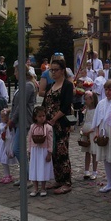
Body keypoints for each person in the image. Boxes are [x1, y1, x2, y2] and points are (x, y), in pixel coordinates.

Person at [42, 58, 75, 195]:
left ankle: (66, 182)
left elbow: (66, 105)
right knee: (53, 151)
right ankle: (58, 179)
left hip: (60, 124)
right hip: (49, 124)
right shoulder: (51, 86)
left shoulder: (67, 85)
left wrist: (54, 119)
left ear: (62, 71)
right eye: (52, 70)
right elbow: (45, 104)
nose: (53, 72)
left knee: (62, 151)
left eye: (56, 70)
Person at [9, 62, 37, 186]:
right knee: (20, 149)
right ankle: (25, 176)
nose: (14, 74)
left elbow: (21, 105)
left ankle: (28, 177)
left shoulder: (28, 85)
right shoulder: (22, 85)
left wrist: (12, 119)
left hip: (23, 121)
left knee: (17, 149)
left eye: (15, 71)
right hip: (18, 120)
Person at [95, 80, 111, 194]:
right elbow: (97, 119)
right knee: (105, 158)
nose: (108, 92)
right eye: (106, 89)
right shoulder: (101, 103)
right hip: (103, 133)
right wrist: (97, 132)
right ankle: (109, 183)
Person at [27, 106, 53, 197]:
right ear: (35, 117)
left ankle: (43, 187)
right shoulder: (32, 127)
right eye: (39, 116)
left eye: (43, 116)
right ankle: (35, 188)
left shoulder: (48, 127)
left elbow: (50, 140)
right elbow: (29, 139)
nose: (42, 118)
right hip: (35, 150)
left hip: (43, 150)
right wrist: (29, 151)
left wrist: (49, 152)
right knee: (34, 168)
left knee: (43, 168)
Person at [0, 108, 16, 184]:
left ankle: (8, 175)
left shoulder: (12, 125)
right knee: (3, 160)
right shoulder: (2, 124)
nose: (2, 118)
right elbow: (3, 128)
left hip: (9, 143)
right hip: (3, 143)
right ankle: (6, 175)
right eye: (2, 117)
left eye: (4, 117)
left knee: (6, 159)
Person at [80, 91, 98, 180]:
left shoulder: (96, 110)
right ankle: (86, 170)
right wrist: (82, 129)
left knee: (94, 152)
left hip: (92, 132)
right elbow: (85, 120)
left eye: (87, 99)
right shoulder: (86, 110)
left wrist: (90, 131)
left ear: (92, 100)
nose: (85, 101)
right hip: (86, 131)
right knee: (87, 151)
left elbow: (96, 123)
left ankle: (94, 171)